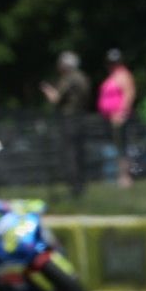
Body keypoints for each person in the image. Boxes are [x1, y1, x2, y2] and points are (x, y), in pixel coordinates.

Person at [41, 50, 90, 197]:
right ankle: (80, 186)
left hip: (69, 119)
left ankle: (75, 188)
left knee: (69, 154)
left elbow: (55, 99)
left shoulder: (69, 78)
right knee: (78, 153)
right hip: (81, 117)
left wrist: (47, 90)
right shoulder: (83, 77)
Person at [98, 49, 137, 188]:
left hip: (119, 118)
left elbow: (129, 94)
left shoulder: (124, 75)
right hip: (109, 118)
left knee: (122, 148)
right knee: (116, 147)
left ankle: (125, 177)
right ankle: (116, 175)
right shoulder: (112, 76)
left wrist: (121, 113)